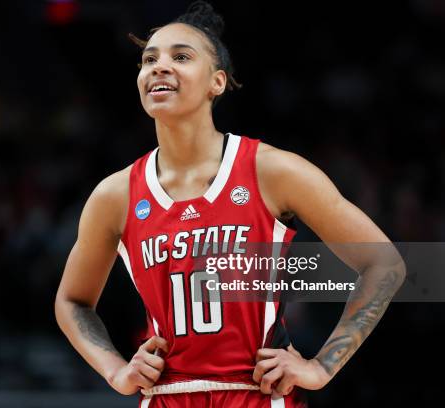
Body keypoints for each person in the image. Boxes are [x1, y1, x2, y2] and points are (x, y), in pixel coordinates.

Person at [55, 2, 406, 407]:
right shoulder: (116, 194)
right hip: (167, 397)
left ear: (216, 83)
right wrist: (115, 370)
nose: (158, 66)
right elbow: (72, 301)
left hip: (258, 396)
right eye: (148, 59)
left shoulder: (272, 170)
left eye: (180, 56)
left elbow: (385, 264)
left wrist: (323, 366)